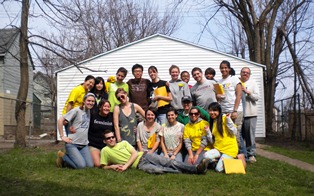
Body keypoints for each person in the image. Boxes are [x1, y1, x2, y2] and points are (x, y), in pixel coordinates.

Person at [100, 130, 210, 174]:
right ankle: (188, 171)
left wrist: (125, 167)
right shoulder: (105, 151)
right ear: (105, 141)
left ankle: (196, 169)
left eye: (112, 137)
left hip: (145, 156)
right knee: (159, 170)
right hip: (139, 166)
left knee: (169, 162)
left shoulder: (123, 143)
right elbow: (103, 166)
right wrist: (112, 167)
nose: (111, 139)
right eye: (108, 138)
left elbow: (134, 154)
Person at [56, 93, 96, 169]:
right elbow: (60, 120)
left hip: (84, 144)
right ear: (84, 101)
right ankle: (63, 157)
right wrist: (62, 136)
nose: (90, 103)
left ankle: (71, 159)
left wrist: (70, 125)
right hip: (72, 143)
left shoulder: (89, 111)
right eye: (88, 101)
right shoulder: (76, 110)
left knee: (90, 166)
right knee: (81, 166)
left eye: (92, 101)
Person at [203, 102, 245, 172]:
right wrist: (207, 131)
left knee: (218, 169)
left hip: (229, 150)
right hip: (218, 149)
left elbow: (234, 132)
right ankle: (220, 160)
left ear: (219, 111)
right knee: (205, 156)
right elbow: (213, 141)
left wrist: (228, 120)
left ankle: (238, 159)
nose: (212, 112)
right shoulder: (212, 122)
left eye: (215, 110)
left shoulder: (225, 118)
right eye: (210, 110)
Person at [217, 60, 243, 145]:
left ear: (229, 69)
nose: (224, 70)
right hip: (223, 111)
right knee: (226, 134)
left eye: (225, 68)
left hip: (234, 110)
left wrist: (235, 110)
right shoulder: (219, 82)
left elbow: (239, 95)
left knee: (236, 134)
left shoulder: (234, 79)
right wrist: (218, 96)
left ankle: (238, 155)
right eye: (222, 68)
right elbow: (218, 97)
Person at [240, 67, 259, 163]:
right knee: (239, 135)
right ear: (240, 73)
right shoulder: (238, 82)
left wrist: (248, 92)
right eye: (243, 72)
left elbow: (257, 97)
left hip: (250, 113)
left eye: (247, 72)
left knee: (250, 136)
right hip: (240, 113)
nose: (245, 74)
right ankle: (242, 154)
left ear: (249, 74)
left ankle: (251, 154)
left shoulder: (253, 83)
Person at [88, 99, 113, 167]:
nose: (106, 108)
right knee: (98, 164)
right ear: (100, 107)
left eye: (108, 107)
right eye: (104, 106)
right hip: (94, 145)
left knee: (113, 160)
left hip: (106, 146)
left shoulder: (112, 116)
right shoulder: (93, 116)